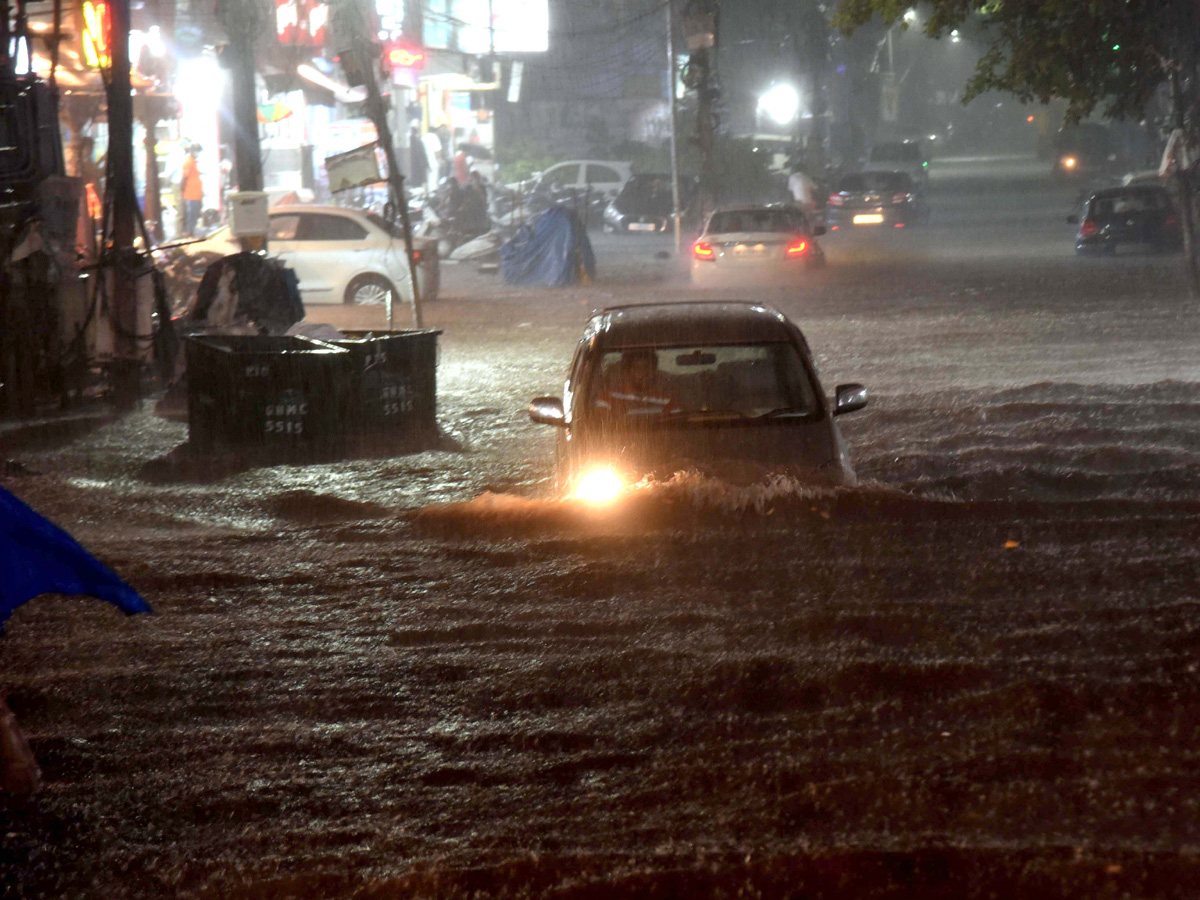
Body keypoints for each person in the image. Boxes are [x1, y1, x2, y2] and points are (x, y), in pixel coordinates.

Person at [595, 348, 681, 416]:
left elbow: (680, 428)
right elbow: (596, 427)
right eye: (638, 368)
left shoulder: (668, 400)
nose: (644, 373)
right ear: (627, 372)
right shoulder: (607, 398)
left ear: (655, 371)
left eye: (648, 368)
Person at [181, 143, 204, 237]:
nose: (198, 153)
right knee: (191, 215)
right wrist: (182, 192)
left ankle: (192, 232)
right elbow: (184, 179)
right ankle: (190, 233)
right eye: (197, 151)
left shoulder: (193, 162)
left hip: (195, 194)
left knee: (194, 215)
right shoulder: (188, 162)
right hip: (191, 194)